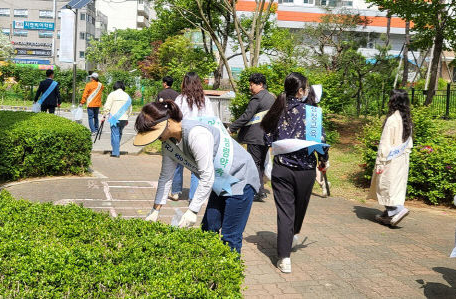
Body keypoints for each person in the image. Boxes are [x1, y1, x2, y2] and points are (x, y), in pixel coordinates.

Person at [134, 101, 260, 253]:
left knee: (230, 237)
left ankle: (229, 273)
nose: (156, 138)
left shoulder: (196, 134)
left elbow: (207, 175)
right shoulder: (167, 142)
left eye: (155, 133)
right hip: (219, 182)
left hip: (240, 178)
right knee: (208, 230)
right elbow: (166, 177)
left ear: (167, 123)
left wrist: (192, 211)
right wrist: (155, 210)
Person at [261, 72, 329, 273]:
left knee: (285, 212)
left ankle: (284, 257)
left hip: (281, 169)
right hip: (305, 170)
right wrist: (323, 161)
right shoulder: (313, 113)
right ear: (301, 91)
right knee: (297, 209)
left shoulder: (277, 109)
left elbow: (266, 138)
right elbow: (321, 143)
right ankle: (288, 246)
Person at [368, 89, 413, 227]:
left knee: (385, 186)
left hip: (390, 159)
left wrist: (380, 162)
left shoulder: (392, 119)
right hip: (402, 159)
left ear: (393, 101)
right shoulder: (407, 119)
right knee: (396, 187)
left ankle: (397, 210)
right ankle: (388, 214)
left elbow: (385, 143)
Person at [229, 73, 276, 202]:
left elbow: (247, 115)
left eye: (252, 85)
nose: (250, 87)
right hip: (266, 136)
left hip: (255, 136)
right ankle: (259, 190)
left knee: (255, 163)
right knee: (260, 164)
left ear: (260, 85)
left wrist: (231, 128)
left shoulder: (257, 98)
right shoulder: (271, 98)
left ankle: (256, 191)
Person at [169, 72, 215, 202]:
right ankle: (194, 196)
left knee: (178, 163)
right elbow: (211, 119)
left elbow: (175, 117)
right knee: (197, 167)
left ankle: (176, 192)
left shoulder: (180, 99)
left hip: (183, 135)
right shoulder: (205, 100)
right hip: (200, 136)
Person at [102, 81, 132, 158]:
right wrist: (127, 117)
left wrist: (104, 115)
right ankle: (116, 149)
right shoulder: (127, 96)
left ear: (115, 86)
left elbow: (107, 106)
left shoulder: (112, 94)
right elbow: (130, 109)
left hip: (114, 118)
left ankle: (115, 152)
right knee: (119, 133)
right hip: (124, 118)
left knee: (115, 134)